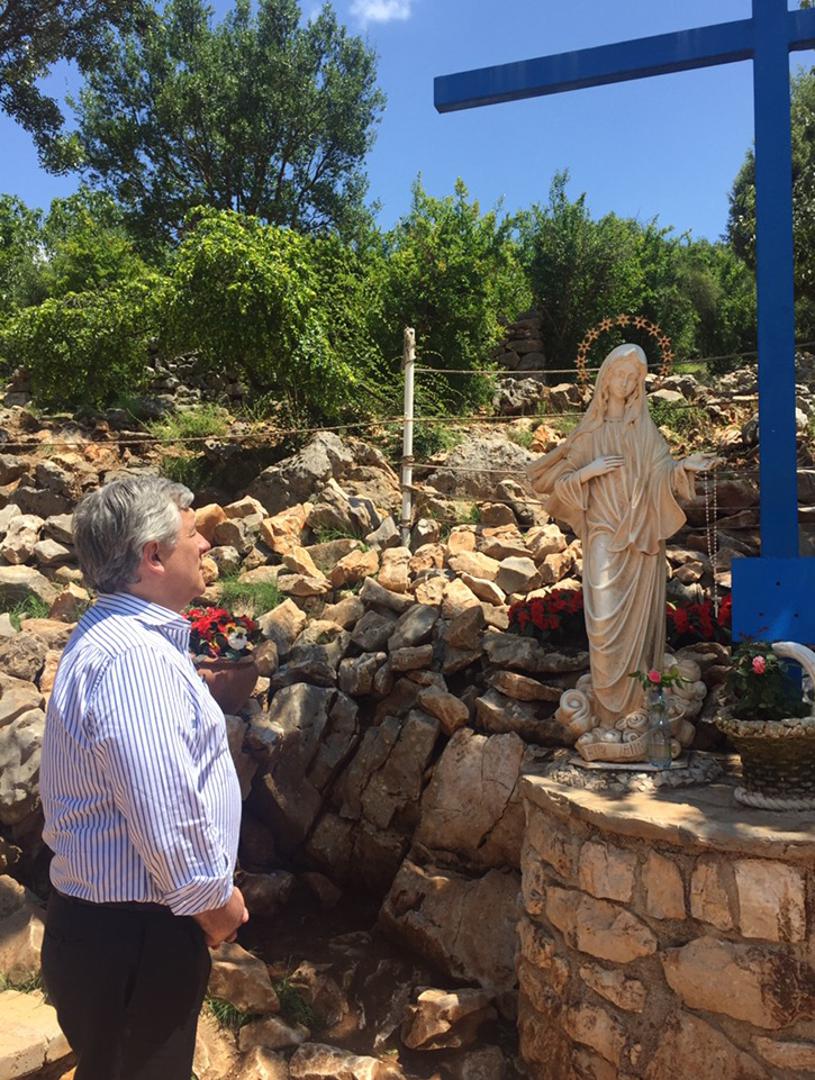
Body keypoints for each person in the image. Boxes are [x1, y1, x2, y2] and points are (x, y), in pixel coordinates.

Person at [40, 475, 248, 1080]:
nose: (205, 545)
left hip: (115, 934)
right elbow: (164, 809)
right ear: (152, 556)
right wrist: (214, 904)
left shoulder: (116, 638)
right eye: (192, 534)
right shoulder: (134, 658)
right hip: (136, 938)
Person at [528, 343, 714, 726]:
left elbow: (662, 474)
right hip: (602, 533)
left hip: (639, 539)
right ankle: (605, 713)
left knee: (637, 631)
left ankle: (635, 715)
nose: (626, 383)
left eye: (634, 378)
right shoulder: (590, 432)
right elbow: (552, 482)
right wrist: (589, 471)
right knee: (602, 622)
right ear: (606, 377)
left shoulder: (644, 431)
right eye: (620, 374)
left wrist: (683, 468)